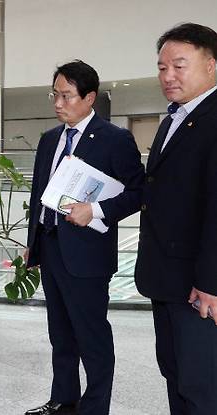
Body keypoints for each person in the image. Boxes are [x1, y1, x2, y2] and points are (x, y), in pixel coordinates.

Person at [24, 60, 144, 415]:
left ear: (89, 97)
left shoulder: (115, 139)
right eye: (54, 95)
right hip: (51, 247)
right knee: (60, 334)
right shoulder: (49, 140)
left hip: (88, 254)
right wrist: (34, 243)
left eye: (66, 96)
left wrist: (96, 210)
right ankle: (63, 400)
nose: (58, 103)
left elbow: (138, 192)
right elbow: (37, 196)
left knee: (91, 337)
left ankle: (94, 407)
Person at [135, 23, 217, 415]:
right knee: (175, 373)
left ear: (211, 65)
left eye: (179, 66)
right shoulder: (172, 119)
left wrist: (210, 282)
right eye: (162, 67)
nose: (168, 76)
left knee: (201, 385)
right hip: (168, 277)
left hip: (200, 288)